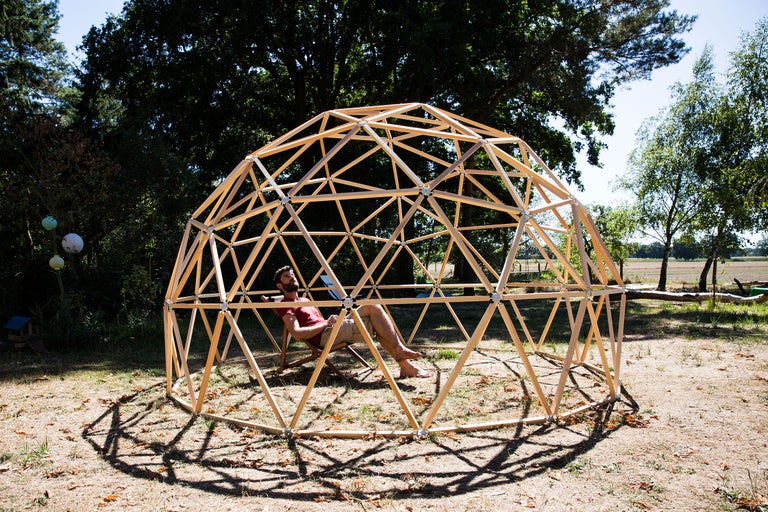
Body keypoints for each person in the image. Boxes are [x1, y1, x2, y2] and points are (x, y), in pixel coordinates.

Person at [272, 266, 432, 378]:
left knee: (372, 306)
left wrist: (329, 323)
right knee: (376, 320)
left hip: (332, 328)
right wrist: (326, 324)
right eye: (287, 276)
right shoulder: (285, 305)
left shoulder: (305, 299)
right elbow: (297, 334)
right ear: (280, 285)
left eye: (292, 274)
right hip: (325, 335)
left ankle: (403, 360)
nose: (292, 277)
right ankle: (403, 360)